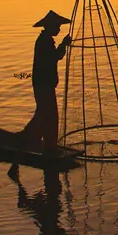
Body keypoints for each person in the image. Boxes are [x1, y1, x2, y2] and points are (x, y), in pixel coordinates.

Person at [21, 9, 72, 154]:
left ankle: (32, 140)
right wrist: (63, 44)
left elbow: (54, 57)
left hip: (44, 83)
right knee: (48, 115)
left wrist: (62, 45)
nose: (59, 29)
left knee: (44, 113)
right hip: (43, 84)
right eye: (57, 26)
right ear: (50, 27)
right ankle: (41, 144)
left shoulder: (46, 40)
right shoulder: (44, 42)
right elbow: (54, 57)